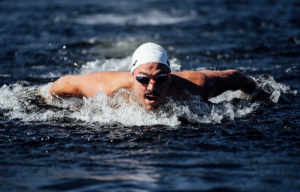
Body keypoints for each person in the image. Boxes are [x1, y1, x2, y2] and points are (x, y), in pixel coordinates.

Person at [47, 42, 256, 111]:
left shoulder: (196, 86)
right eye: (143, 79)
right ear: (132, 77)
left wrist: (259, 93)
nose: (151, 87)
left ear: (170, 77)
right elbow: (62, 84)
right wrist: (43, 98)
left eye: (160, 79)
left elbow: (236, 78)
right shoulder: (107, 89)